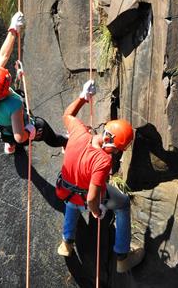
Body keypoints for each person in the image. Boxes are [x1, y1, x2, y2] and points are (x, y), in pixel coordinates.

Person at [55, 80, 144, 273]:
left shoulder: (79, 132)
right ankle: (122, 256)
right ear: (113, 146)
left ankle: (67, 242)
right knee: (123, 204)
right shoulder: (103, 161)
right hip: (85, 197)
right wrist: (96, 211)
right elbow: (92, 198)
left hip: (66, 191)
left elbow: (67, 115)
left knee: (73, 201)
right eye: (119, 149)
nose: (117, 153)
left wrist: (83, 97)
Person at [0, 12, 68, 154]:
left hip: (4, 129)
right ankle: (64, 142)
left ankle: (10, 146)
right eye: (8, 78)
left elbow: (4, 55)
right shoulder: (15, 104)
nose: (7, 73)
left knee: (9, 134)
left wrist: (13, 29)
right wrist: (30, 132)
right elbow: (20, 136)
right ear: (4, 91)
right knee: (42, 126)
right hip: (16, 129)